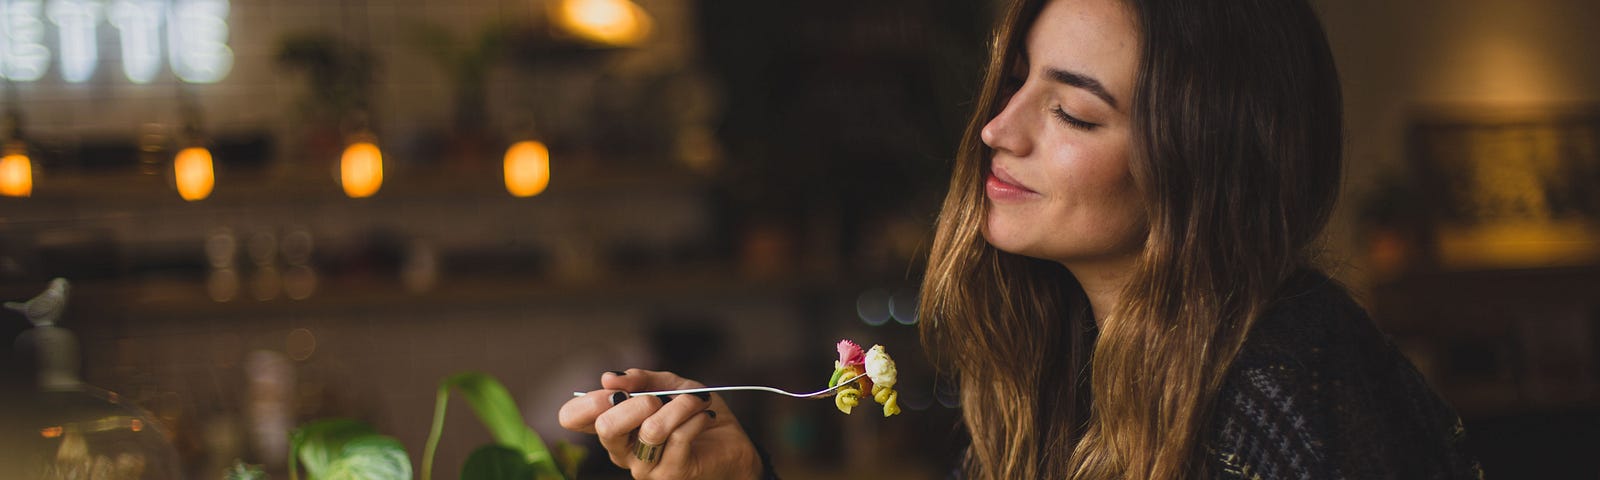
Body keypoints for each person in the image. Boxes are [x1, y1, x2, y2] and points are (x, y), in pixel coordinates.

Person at [560, 0, 1484, 477]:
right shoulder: (1060, 360)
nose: (999, 129)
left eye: (1074, 114)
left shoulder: (1283, 390)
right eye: (1018, 82)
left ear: (1205, 168)